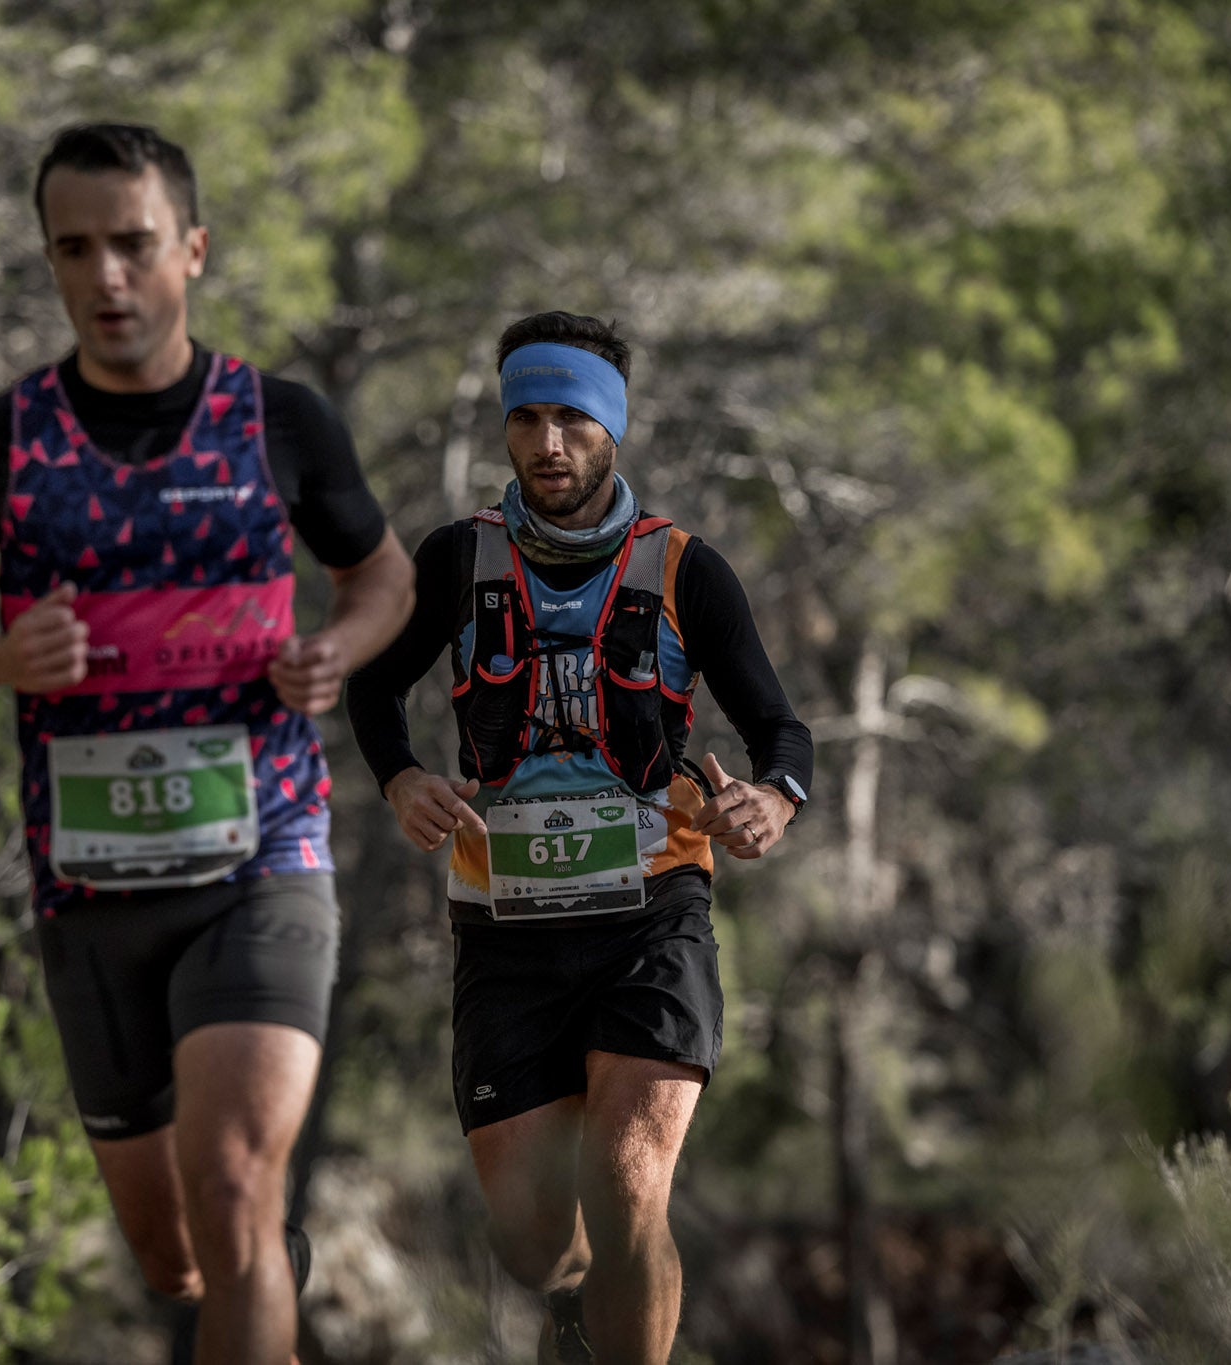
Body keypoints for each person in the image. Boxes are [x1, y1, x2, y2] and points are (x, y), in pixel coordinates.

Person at [0, 122, 414, 1365]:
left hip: (263, 858)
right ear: (51, 263)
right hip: (91, 886)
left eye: (133, 244)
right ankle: (258, 1271)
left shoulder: (280, 421)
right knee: (175, 1259)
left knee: (231, 1191)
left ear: (193, 251)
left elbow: (381, 578)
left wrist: (338, 648)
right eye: (75, 249)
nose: (106, 276)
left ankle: (257, 1254)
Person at [345, 311, 812, 1364]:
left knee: (627, 1185)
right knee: (529, 1236)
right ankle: (569, 1310)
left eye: (569, 419)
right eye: (526, 418)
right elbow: (371, 683)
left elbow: (780, 727)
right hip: (502, 926)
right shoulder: (457, 559)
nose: (545, 442)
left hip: (651, 911)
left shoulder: (686, 570)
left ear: (612, 432)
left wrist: (774, 797)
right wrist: (402, 776)